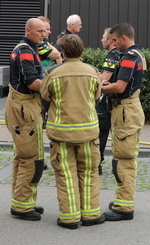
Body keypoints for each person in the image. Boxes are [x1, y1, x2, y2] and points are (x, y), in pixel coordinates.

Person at [40, 34, 105, 228]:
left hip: (62, 134)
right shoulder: (93, 71)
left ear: (63, 52)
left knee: (66, 174)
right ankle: (91, 215)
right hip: (89, 133)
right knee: (89, 172)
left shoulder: (53, 72)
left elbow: (44, 96)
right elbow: (97, 96)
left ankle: (69, 218)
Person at [99, 23, 145, 221]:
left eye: (116, 40)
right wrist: (111, 85)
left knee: (124, 159)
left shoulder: (129, 57)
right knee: (123, 156)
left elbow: (119, 88)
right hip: (128, 109)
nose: (114, 44)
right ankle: (122, 199)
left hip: (125, 110)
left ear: (124, 38)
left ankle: (124, 207)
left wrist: (99, 87)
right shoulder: (137, 54)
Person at [5, 17, 49, 220]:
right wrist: (56, 86)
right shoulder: (25, 51)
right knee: (31, 157)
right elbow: (32, 82)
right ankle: (22, 206)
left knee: (23, 156)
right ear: (28, 30)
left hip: (24, 106)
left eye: (46, 31)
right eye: (40, 31)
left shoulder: (29, 49)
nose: (44, 34)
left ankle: (22, 201)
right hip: (25, 108)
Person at [95, 27, 121, 173]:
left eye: (104, 37)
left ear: (111, 40)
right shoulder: (121, 54)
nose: (102, 40)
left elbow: (105, 78)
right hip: (117, 101)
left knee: (101, 132)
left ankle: (96, 163)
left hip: (107, 101)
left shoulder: (112, 56)